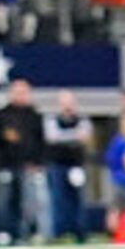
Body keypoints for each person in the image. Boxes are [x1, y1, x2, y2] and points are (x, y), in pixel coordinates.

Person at [0, 78, 48, 246]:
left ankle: (30, 231)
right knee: (5, 201)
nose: (20, 95)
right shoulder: (2, 115)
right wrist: (3, 137)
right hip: (6, 165)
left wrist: (37, 163)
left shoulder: (35, 116)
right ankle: (5, 231)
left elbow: (41, 142)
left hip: (29, 166)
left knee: (30, 202)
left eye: (23, 92)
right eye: (17, 92)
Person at [43, 91, 93, 241]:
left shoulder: (82, 120)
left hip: (76, 165)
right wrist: (74, 136)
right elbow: (52, 137)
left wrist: (65, 136)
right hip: (58, 165)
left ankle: (79, 232)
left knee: (78, 200)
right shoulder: (52, 119)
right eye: (64, 103)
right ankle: (59, 232)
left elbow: (84, 136)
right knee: (58, 200)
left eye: (70, 102)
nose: (67, 106)